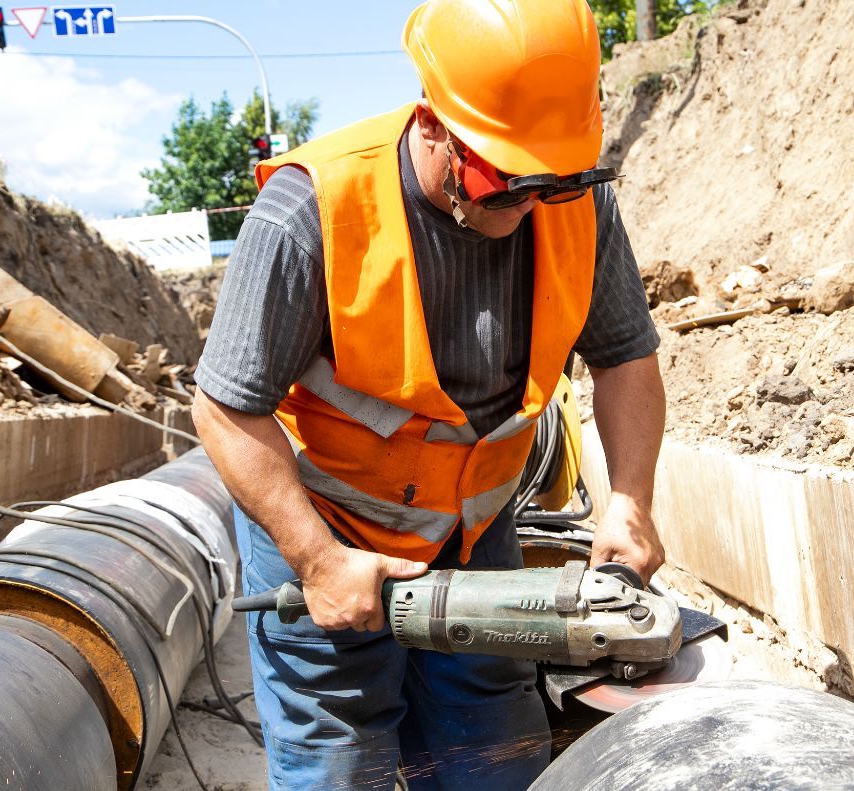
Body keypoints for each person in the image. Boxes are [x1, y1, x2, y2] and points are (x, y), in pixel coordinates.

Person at [192, 0, 667, 787]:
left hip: (476, 538)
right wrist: (316, 561)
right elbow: (224, 406)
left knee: (493, 759)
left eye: (548, 182)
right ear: (435, 123)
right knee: (339, 765)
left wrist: (631, 498)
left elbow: (625, 360)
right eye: (502, 179)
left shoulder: (569, 199)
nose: (528, 202)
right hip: (325, 528)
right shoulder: (311, 212)